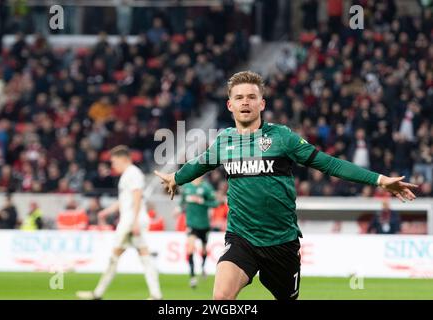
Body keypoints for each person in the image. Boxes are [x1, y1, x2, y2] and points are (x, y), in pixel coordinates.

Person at [155, 71, 418, 300]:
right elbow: (199, 164)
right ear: (229, 105)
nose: (245, 101)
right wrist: (176, 178)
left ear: (262, 103)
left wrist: (380, 180)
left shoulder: (282, 138)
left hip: (282, 242)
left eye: (251, 96)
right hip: (242, 238)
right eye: (239, 97)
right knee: (221, 296)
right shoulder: (224, 141)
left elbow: (330, 164)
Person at [77, 145, 162, 300]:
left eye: (114, 161)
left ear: (124, 159)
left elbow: (137, 197)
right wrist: (106, 211)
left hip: (131, 220)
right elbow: (125, 200)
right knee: (143, 255)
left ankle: (98, 293)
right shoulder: (127, 175)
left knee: (115, 257)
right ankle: (156, 294)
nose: (113, 165)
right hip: (132, 218)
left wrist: (135, 221)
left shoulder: (133, 173)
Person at [175, 176, 218, 288]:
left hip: (204, 224)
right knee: (190, 248)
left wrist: (202, 201)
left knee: (203, 250)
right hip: (191, 224)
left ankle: (203, 267)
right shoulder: (187, 187)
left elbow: (215, 203)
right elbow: (182, 202)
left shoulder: (206, 188)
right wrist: (178, 210)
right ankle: (193, 277)